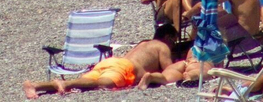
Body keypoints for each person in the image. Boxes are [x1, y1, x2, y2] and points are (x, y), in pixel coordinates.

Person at [22, 31, 179, 96]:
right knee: (101, 83)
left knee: (86, 82)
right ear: (169, 37)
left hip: (111, 62)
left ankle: (37, 85)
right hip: (125, 68)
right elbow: (168, 71)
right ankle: (63, 83)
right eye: (174, 39)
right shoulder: (162, 46)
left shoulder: (144, 43)